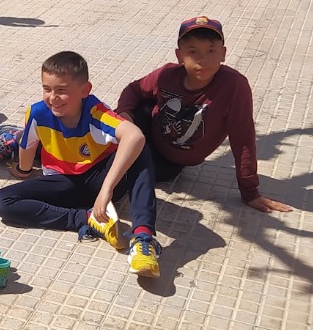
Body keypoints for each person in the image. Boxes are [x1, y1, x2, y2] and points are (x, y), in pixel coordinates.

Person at [0, 51, 163, 277]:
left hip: (101, 180)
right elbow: (28, 145)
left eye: (62, 90)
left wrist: (106, 190)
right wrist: (23, 170)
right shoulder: (37, 112)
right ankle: (88, 219)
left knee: (139, 147)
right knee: (1, 201)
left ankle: (143, 239)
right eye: (47, 89)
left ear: (84, 90)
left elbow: (134, 136)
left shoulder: (96, 112)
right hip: (63, 183)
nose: (53, 97)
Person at [115, 16, 293, 214]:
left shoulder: (233, 86)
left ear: (223, 53)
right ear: (179, 55)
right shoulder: (167, 74)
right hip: (148, 131)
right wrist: (124, 114)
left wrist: (250, 192)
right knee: (127, 117)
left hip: (169, 161)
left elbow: (243, 137)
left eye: (211, 51)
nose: (203, 60)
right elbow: (134, 89)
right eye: (193, 52)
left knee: (128, 176)